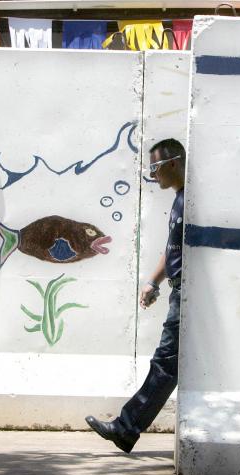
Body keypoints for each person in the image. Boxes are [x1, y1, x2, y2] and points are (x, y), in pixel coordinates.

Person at [85, 138, 186, 453]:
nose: (152, 175)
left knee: (166, 363)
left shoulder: (192, 200)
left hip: (188, 296)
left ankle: (127, 428)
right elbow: (173, 249)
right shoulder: (181, 199)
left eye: (155, 167)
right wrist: (154, 282)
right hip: (179, 290)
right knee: (167, 364)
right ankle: (127, 428)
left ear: (172, 162)